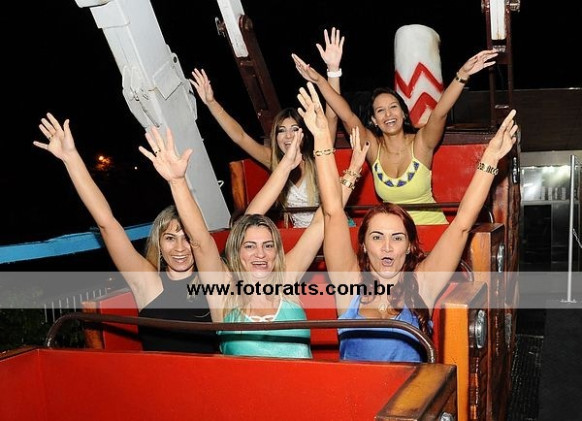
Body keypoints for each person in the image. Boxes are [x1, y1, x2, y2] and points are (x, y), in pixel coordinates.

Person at [297, 82, 517, 362]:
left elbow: (462, 223)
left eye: (397, 237)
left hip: (412, 391)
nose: (387, 247)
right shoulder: (349, 283)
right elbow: (332, 213)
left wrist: (490, 158)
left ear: (410, 246)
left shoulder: (422, 283)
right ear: (363, 245)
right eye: (377, 237)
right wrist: (321, 141)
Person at [138, 122, 367, 359]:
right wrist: (177, 182)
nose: (260, 254)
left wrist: (352, 172)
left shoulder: (285, 278)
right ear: (237, 253)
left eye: (268, 246)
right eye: (250, 246)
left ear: (277, 251)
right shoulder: (223, 293)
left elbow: (322, 220)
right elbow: (199, 242)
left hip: (304, 381)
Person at [33, 113, 218, 353]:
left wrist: (177, 181)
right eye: (170, 238)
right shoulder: (149, 284)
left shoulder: (214, 281)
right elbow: (107, 224)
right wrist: (71, 158)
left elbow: (202, 242)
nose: (180, 248)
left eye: (186, 239)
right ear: (159, 243)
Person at [292, 49, 499, 225]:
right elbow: (346, 116)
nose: (388, 115)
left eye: (393, 107)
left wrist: (463, 74)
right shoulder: (372, 148)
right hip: (395, 236)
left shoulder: (421, 143)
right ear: (374, 120)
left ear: (403, 113)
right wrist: (319, 80)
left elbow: (439, 113)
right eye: (380, 111)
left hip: (433, 230)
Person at [190, 28, 345, 228]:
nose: (288, 136)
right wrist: (211, 103)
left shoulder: (318, 156)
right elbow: (240, 137)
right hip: (301, 236)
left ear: (305, 134)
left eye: (294, 129)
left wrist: (333, 70)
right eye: (281, 131)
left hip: (331, 229)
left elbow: (332, 117)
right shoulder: (274, 160)